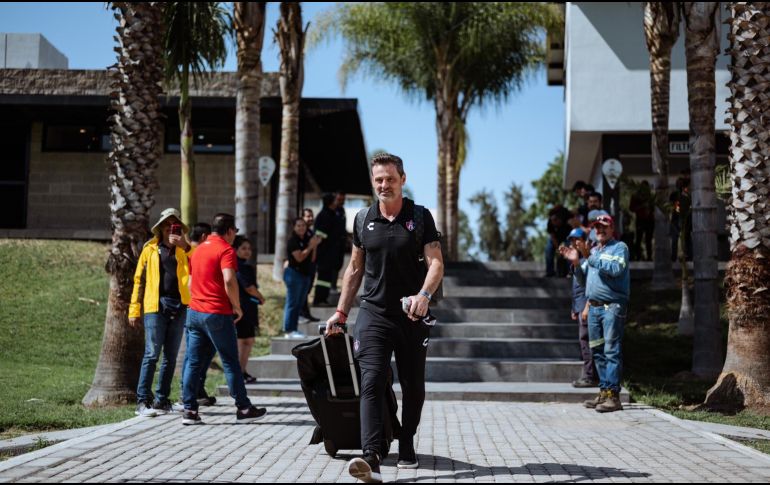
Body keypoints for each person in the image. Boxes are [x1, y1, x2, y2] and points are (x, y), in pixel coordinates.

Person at [326, 153, 444, 483]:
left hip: (411, 316)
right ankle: (371, 456)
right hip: (373, 314)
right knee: (371, 380)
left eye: (390, 178)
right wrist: (340, 311)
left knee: (413, 387)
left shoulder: (420, 217)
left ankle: (406, 443)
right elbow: (354, 268)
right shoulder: (363, 219)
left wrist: (424, 295)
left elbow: (436, 263)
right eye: (378, 179)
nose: (384, 184)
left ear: (402, 179)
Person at [181, 213, 266, 425]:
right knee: (230, 362)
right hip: (217, 313)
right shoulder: (226, 249)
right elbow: (229, 279)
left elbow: (190, 283)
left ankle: (190, 410)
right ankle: (244, 408)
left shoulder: (199, 249)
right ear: (228, 230)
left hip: (195, 312)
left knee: (193, 362)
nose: (234, 236)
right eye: (234, 232)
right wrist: (237, 306)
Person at [560, 214, 630, 413]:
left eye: (604, 226)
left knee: (611, 350)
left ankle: (614, 397)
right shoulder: (593, 252)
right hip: (594, 308)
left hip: (612, 307)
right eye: (597, 227)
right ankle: (604, 392)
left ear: (612, 228)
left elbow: (615, 269)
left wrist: (590, 257)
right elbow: (584, 283)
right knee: (597, 352)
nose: (600, 230)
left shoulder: (619, 248)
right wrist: (575, 263)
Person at [129, 208, 192, 417]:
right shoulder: (150, 249)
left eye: (175, 225)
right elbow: (139, 280)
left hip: (180, 306)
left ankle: (161, 401)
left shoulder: (185, 250)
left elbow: (198, 267)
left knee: (170, 357)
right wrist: (134, 309)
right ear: (161, 228)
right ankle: (142, 401)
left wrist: (184, 246)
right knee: (151, 354)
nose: (170, 228)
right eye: (167, 224)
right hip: (156, 306)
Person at [178, 222, 217, 407]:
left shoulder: (192, 252)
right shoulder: (195, 253)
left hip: (198, 307)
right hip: (196, 307)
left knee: (202, 354)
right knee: (195, 356)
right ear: (204, 237)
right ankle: (187, 393)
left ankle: (197, 390)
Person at [565, 227, 598, 389]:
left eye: (577, 239)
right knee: (584, 341)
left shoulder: (588, 260)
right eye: (572, 240)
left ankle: (590, 376)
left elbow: (590, 287)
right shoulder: (576, 261)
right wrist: (574, 308)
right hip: (579, 307)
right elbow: (576, 288)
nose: (574, 243)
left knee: (586, 341)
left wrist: (586, 307)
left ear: (585, 241)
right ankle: (590, 374)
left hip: (587, 307)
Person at [233, 236, 265, 384]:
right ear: (236, 250)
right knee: (241, 341)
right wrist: (261, 297)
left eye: (249, 249)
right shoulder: (240, 267)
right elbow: (249, 288)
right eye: (243, 248)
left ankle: (242, 371)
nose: (247, 251)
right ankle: (238, 374)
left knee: (249, 340)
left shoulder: (245, 266)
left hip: (248, 309)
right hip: (241, 310)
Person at [284, 218, 322, 338]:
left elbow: (312, 259)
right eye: (298, 226)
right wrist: (311, 246)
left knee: (299, 303)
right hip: (293, 274)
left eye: (303, 226)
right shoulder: (292, 241)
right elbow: (299, 258)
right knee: (292, 303)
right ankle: (289, 330)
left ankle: (293, 329)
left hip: (305, 274)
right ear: (294, 227)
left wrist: (314, 246)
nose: (301, 228)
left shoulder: (306, 239)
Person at [313, 194, 342, 306]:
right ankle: (318, 299)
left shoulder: (333, 213)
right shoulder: (324, 215)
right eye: (335, 200)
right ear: (330, 202)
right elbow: (320, 234)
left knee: (327, 278)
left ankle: (323, 298)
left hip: (331, 253)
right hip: (324, 253)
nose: (337, 202)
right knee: (322, 277)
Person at [299, 208, 320, 323]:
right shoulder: (300, 233)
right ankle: (301, 314)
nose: (310, 218)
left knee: (307, 291)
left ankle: (306, 313)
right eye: (307, 216)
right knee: (302, 292)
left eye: (311, 216)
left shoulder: (311, 232)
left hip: (311, 266)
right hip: (302, 267)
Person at [545, 205, 573, 277]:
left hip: (569, 237)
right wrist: (558, 249)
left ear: (561, 218)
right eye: (552, 220)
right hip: (557, 238)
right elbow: (553, 237)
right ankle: (550, 272)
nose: (554, 222)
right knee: (548, 248)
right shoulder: (550, 223)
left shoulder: (568, 218)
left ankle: (570, 271)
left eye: (556, 220)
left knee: (569, 247)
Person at [331, 191, 348, 293]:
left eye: (343, 200)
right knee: (332, 266)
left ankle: (333, 285)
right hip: (332, 246)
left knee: (338, 265)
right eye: (339, 199)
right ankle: (331, 287)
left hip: (340, 245)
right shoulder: (331, 211)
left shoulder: (342, 210)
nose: (341, 201)